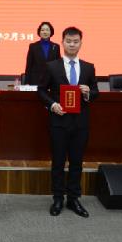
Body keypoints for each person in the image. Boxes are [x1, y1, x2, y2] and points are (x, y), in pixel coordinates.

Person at [37, 26, 99, 218]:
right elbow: (41, 91)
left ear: (81, 43)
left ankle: (73, 199)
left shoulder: (88, 67)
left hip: (80, 123)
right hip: (59, 121)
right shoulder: (51, 66)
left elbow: (96, 92)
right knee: (58, 162)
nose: (72, 45)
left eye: (76, 41)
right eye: (69, 41)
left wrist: (88, 93)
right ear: (62, 43)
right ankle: (57, 198)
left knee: (76, 162)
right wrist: (52, 104)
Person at [24, 21, 61, 85]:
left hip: (51, 81)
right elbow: (28, 66)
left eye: (47, 30)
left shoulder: (56, 46)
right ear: (39, 32)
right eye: (42, 30)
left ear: (51, 32)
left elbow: (58, 66)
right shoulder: (33, 46)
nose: (45, 32)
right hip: (36, 81)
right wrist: (27, 83)